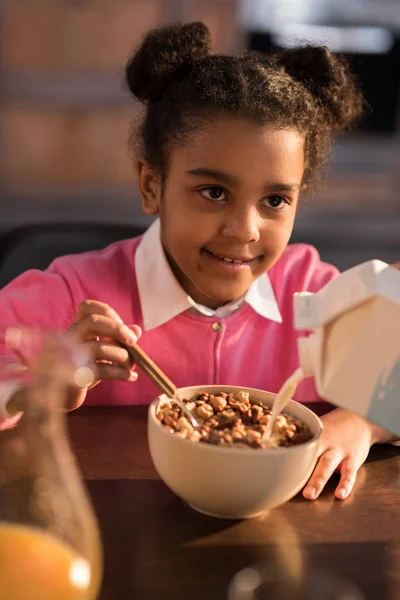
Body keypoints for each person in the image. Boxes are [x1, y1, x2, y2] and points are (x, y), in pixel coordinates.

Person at [0, 22, 396, 501]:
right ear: (152, 185)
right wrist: (37, 390)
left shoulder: (317, 294)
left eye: (274, 201)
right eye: (214, 192)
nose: (244, 229)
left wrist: (363, 420)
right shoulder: (69, 295)